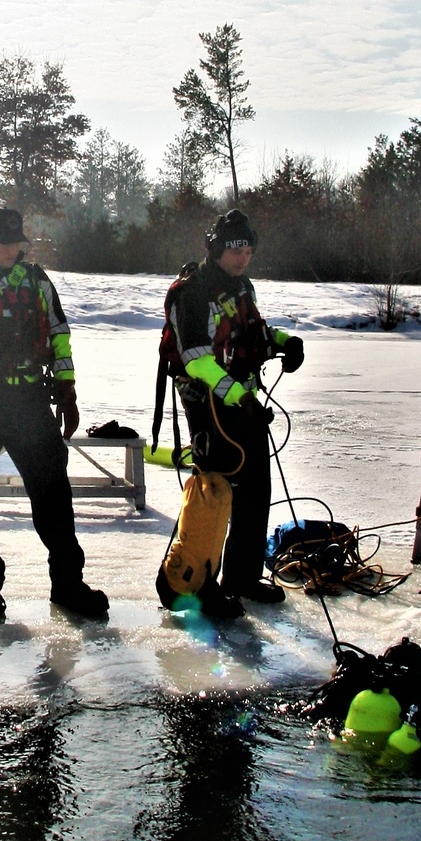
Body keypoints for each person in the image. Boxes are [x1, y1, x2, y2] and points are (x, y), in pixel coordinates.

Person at [0, 207, 109, 622]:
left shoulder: (36, 280)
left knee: (54, 495)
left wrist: (67, 388)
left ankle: (67, 584)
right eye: (5, 242)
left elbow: (60, 335)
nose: (12, 250)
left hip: (29, 401)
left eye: (17, 243)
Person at [168, 208, 305, 615]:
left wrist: (285, 341)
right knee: (214, 495)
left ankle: (243, 579)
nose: (242, 257)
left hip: (244, 404)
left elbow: (254, 331)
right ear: (215, 247)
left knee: (256, 492)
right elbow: (195, 359)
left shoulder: (243, 287)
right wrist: (237, 397)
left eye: (248, 249)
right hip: (210, 403)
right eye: (234, 249)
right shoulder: (195, 291)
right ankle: (193, 584)